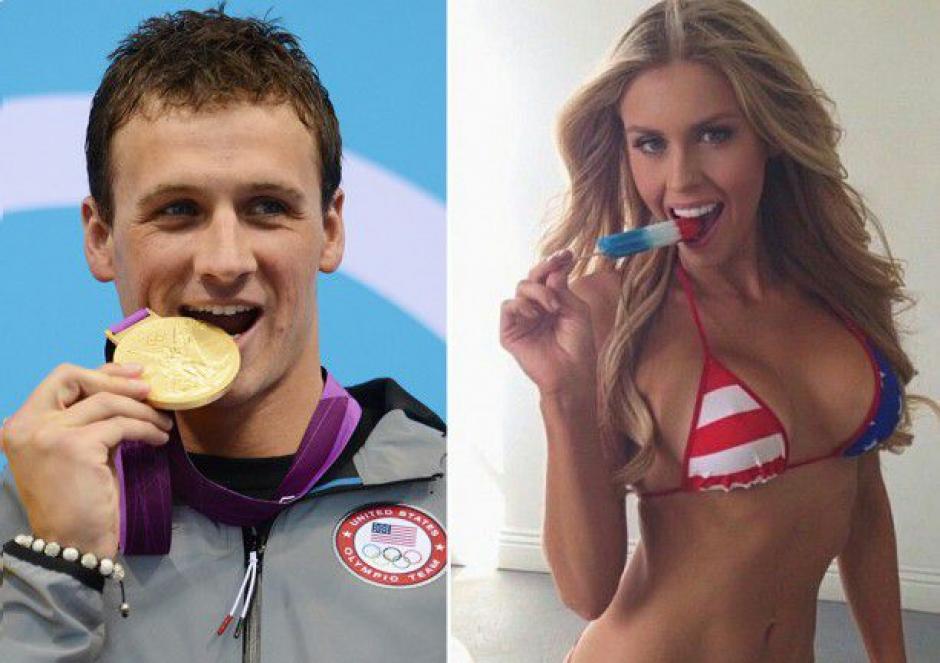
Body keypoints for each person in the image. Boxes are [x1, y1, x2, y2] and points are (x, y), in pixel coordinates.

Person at [0, 8, 446, 662]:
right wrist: (56, 566)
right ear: (100, 238)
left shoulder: (440, 493)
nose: (226, 261)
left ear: (331, 229)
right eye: (177, 211)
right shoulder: (24, 515)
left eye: (268, 207)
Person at [500, 0, 929, 660]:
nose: (681, 179)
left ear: (770, 133)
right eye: (651, 143)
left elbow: (861, 501)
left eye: (714, 135)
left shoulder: (831, 285)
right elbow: (587, 592)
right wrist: (563, 394)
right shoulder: (605, 311)